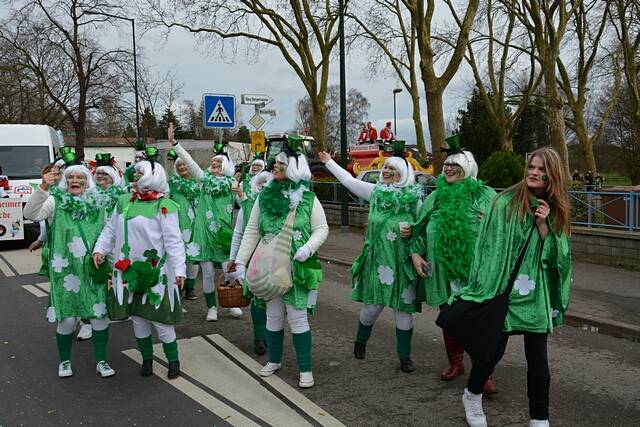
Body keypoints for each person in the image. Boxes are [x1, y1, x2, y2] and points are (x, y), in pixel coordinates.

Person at [452, 147, 572, 427]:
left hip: (535, 293)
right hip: (503, 291)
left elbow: (561, 260)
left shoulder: (557, 209)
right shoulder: (505, 201)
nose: (534, 173)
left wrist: (545, 229)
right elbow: (487, 247)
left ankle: (540, 419)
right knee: (490, 354)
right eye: (531, 167)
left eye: (541, 170)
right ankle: (472, 394)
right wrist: (484, 285)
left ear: (553, 174)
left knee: (539, 365)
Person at [234, 135, 329, 388]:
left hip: (297, 267)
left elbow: (321, 229)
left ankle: (305, 369)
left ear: (294, 168)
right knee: (273, 315)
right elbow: (252, 230)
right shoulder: (264, 197)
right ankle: (274, 360)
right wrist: (241, 263)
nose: (275, 168)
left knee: (297, 316)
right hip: (268, 265)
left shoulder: (308, 199)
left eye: (281, 165)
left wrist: (308, 249)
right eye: (275, 164)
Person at [319, 141, 421, 373]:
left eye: (391, 170)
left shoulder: (414, 199)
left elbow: (424, 226)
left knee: (403, 310)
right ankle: (360, 341)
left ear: (402, 175)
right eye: (385, 168)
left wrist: (413, 230)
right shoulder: (375, 192)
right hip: (378, 262)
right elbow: (348, 181)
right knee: (372, 309)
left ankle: (405, 357)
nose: (385, 172)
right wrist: (329, 163)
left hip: (403, 263)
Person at [410, 138, 498, 393]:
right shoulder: (435, 197)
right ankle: (455, 362)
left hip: (476, 273)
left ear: (468, 168)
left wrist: (490, 222)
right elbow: (418, 230)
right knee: (449, 319)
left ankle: (484, 371)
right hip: (442, 272)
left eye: (454, 165)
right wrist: (416, 255)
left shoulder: (485, 196)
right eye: (446, 165)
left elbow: (507, 230)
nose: (447, 169)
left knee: (478, 324)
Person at [92, 147, 186, 379]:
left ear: (151, 177)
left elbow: (174, 241)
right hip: (127, 271)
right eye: (134, 175)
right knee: (138, 317)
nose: (133, 177)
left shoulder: (164, 205)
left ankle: (173, 360)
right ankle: (146, 360)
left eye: (138, 174)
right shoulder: (124, 201)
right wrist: (100, 249)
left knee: (161, 320)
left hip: (156, 272)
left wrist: (180, 270)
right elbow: (110, 230)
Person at [23, 150, 114, 379]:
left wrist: (108, 260)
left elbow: (108, 233)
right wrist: (43, 187)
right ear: (65, 180)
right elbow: (30, 213)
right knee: (68, 317)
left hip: (92, 269)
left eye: (80, 178)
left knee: (98, 315)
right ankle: (64, 361)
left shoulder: (99, 203)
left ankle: (101, 360)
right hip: (65, 271)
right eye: (71, 177)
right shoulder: (55, 201)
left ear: (87, 181)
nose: (75, 181)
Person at [170, 127, 243, 321]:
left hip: (223, 234)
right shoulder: (203, 180)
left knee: (229, 269)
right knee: (208, 273)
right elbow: (190, 162)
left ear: (226, 165)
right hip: (203, 233)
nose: (214, 164)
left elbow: (244, 205)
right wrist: (175, 144)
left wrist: (243, 198)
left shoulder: (233, 184)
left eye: (218, 161)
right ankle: (212, 308)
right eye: (213, 162)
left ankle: (232, 303)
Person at [228, 157, 271, 355]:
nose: (263, 186)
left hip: (275, 258)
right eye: (259, 183)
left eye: (266, 182)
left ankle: (272, 333)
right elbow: (239, 233)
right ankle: (260, 336)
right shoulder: (248, 205)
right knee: (258, 297)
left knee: (275, 299)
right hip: (254, 256)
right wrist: (234, 260)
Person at [166, 146, 201, 301]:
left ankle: (190, 288)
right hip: (178, 224)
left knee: (194, 256)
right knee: (177, 255)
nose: (182, 167)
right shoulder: (172, 184)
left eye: (184, 164)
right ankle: (177, 286)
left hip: (195, 224)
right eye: (178, 165)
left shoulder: (198, 183)